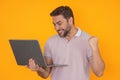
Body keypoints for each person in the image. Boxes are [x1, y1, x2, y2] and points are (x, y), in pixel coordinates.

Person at [26, 6, 105, 80]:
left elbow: (99, 72)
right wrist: (38, 69)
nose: (56, 28)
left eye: (59, 24)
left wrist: (94, 48)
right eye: (54, 24)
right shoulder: (50, 42)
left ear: (70, 21)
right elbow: (45, 74)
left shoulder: (88, 40)